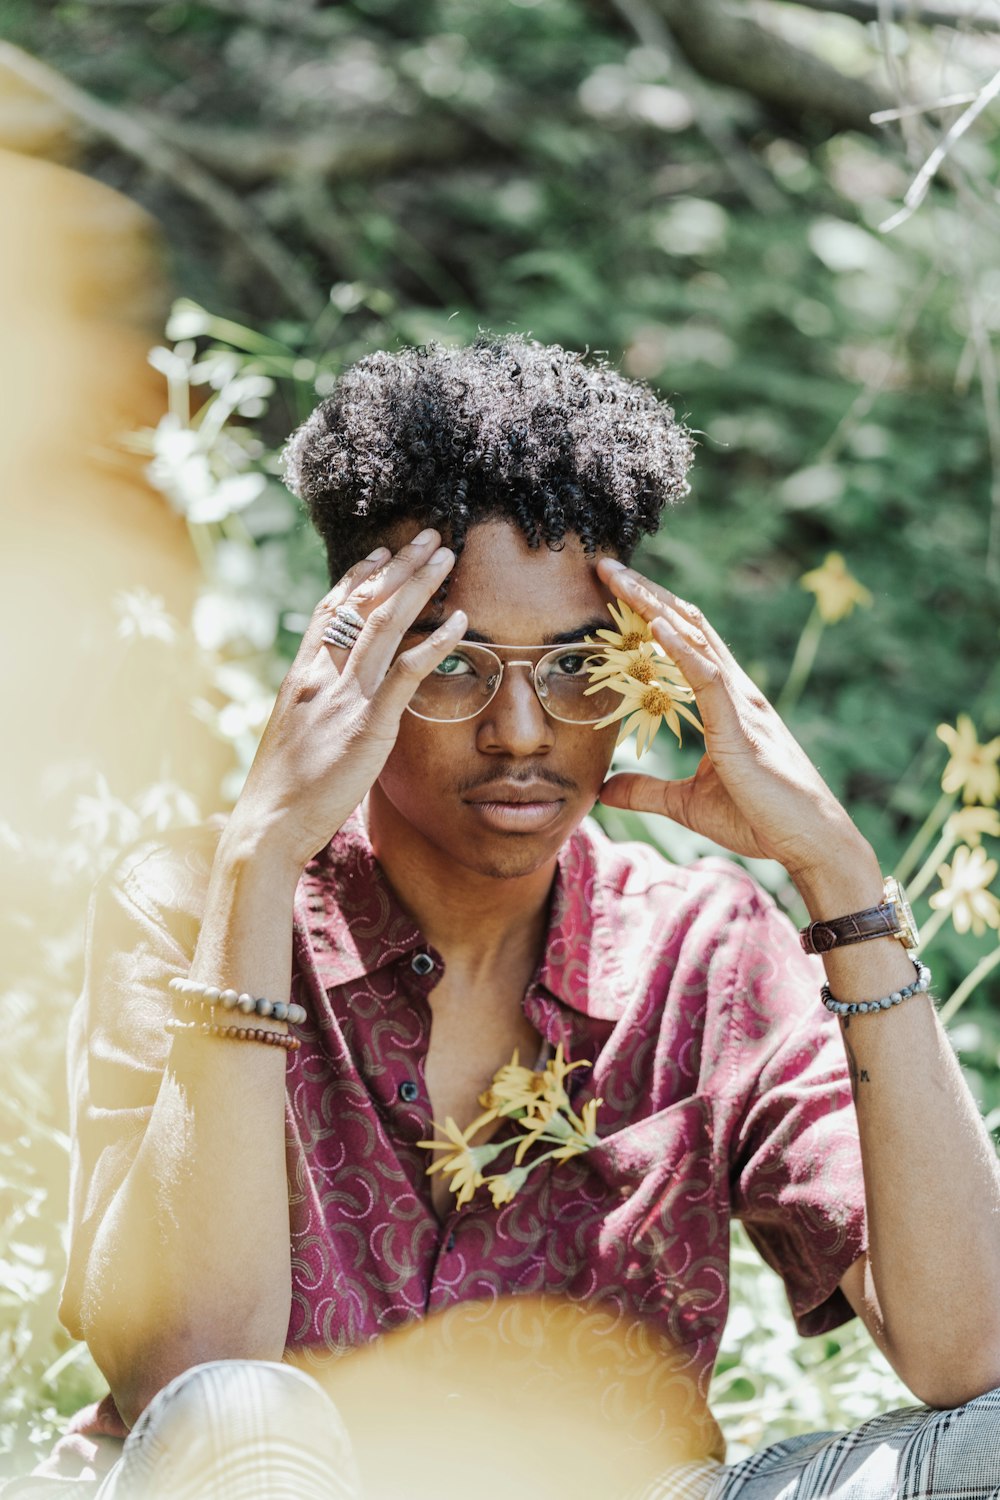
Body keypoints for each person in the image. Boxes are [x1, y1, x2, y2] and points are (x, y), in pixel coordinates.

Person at [13, 335, 1000, 1500]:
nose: (525, 732)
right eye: (453, 667)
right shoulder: (201, 908)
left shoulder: (703, 950)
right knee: (240, 1410)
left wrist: (838, 875)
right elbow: (188, 1377)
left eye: (580, 669)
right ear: (351, 663)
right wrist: (263, 853)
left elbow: (969, 1351)